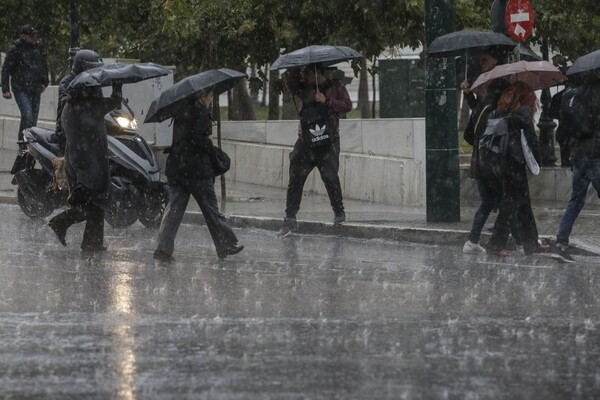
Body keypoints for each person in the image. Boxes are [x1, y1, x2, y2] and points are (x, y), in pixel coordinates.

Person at [154, 88, 243, 261]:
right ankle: (224, 244)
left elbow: (184, 138)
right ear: (203, 96)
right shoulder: (201, 111)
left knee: (174, 211)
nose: (212, 99)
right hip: (197, 171)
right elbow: (199, 140)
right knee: (211, 210)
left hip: (178, 169)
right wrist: (210, 144)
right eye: (211, 96)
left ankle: (163, 250)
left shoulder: (180, 110)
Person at [277, 63, 352, 237]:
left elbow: (347, 105)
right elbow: (290, 84)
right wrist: (296, 68)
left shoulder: (336, 86)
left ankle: (339, 212)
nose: (305, 76)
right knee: (296, 178)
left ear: (318, 73)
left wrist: (326, 100)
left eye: (308, 73)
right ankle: (290, 217)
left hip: (329, 141)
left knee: (330, 176)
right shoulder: (304, 87)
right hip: (306, 142)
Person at [47, 79, 122, 251]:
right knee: (93, 204)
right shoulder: (91, 107)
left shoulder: (70, 107)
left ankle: (92, 242)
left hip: (76, 161)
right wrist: (117, 85)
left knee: (95, 203)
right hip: (90, 164)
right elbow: (115, 101)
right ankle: (60, 222)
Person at [485, 81, 550, 256]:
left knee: (523, 204)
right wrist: (538, 160)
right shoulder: (522, 113)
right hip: (515, 163)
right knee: (510, 205)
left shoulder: (500, 111)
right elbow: (531, 139)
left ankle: (531, 243)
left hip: (500, 162)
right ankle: (495, 244)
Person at [462, 79, 522, 254]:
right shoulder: (496, 113)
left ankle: (472, 241)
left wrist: (479, 145)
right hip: (492, 167)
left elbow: (467, 135)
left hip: (480, 165)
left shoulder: (480, 109)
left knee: (488, 203)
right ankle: (519, 242)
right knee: (506, 204)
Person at [554, 81, 600, 263]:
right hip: (594, 155)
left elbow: (563, 129)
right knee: (576, 200)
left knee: (575, 200)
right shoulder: (595, 94)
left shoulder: (571, 95)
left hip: (578, 154)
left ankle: (561, 244)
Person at [1, 24, 49, 149]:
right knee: (27, 116)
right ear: (24, 36)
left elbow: (43, 65)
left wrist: (45, 81)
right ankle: (23, 145)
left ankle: (29, 146)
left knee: (33, 121)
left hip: (35, 88)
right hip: (20, 88)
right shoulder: (15, 49)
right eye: (31, 36)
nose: (34, 38)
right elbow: (6, 69)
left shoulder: (38, 49)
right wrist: (5, 89)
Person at [54, 49, 104, 149]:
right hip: (69, 131)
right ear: (82, 67)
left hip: (89, 128)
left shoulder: (94, 84)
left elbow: (100, 103)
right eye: (91, 69)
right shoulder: (67, 82)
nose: (94, 72)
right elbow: (66, 103)